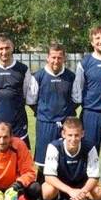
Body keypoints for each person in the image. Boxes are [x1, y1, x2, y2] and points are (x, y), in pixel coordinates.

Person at [41, 117, 101, 200]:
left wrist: (81, 193)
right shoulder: (54, 146)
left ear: (82, 134)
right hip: (60, 187)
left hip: (80, 186)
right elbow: (49, 177)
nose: (73, 139)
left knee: (98, 192)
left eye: (76, 135)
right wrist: (70, 191)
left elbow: (94, 177)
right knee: (47, 189)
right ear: (63, 134)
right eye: (70, 135)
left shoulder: (89, 147)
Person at [0, 34, 36, 147]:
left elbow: (25, 96)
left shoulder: (23, 70)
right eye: (0, 48)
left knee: (19, 161)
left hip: (18, 126)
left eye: (7, 48)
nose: (4, 52)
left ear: (12, 47)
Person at [31, 42, 77, 181]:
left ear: (64, 58)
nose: (56, 61)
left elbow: (76, 99)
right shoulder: (38, 76)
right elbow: (32, 100)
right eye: (53, 57)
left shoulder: (71, 76)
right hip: (45, 123)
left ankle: (65, 191)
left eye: (59, 57)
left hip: (65, 124)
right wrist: (45, 114)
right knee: (43, 160)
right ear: (48, 58)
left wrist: (65, 114)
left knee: (66, 156)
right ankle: (43, 193)